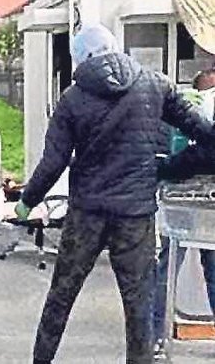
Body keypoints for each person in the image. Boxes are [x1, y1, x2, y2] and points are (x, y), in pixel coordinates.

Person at [14, 24, 215, 364]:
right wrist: (168, 167)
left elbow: (54, 162)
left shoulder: (72, 99)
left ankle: (41, 360)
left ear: (81, 58)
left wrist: (26, 202)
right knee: (138, 304)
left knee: (61, 295)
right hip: (135, 215)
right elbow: (205, 134)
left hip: (86, 214)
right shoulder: (155, 84)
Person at [152, 69, 215, 358]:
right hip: (203, 198)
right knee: (208, 267)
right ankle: (154, 334)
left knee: (167, 266)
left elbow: (203, 153)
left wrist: (165, 168)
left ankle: (153, 336)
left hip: (185, 194)